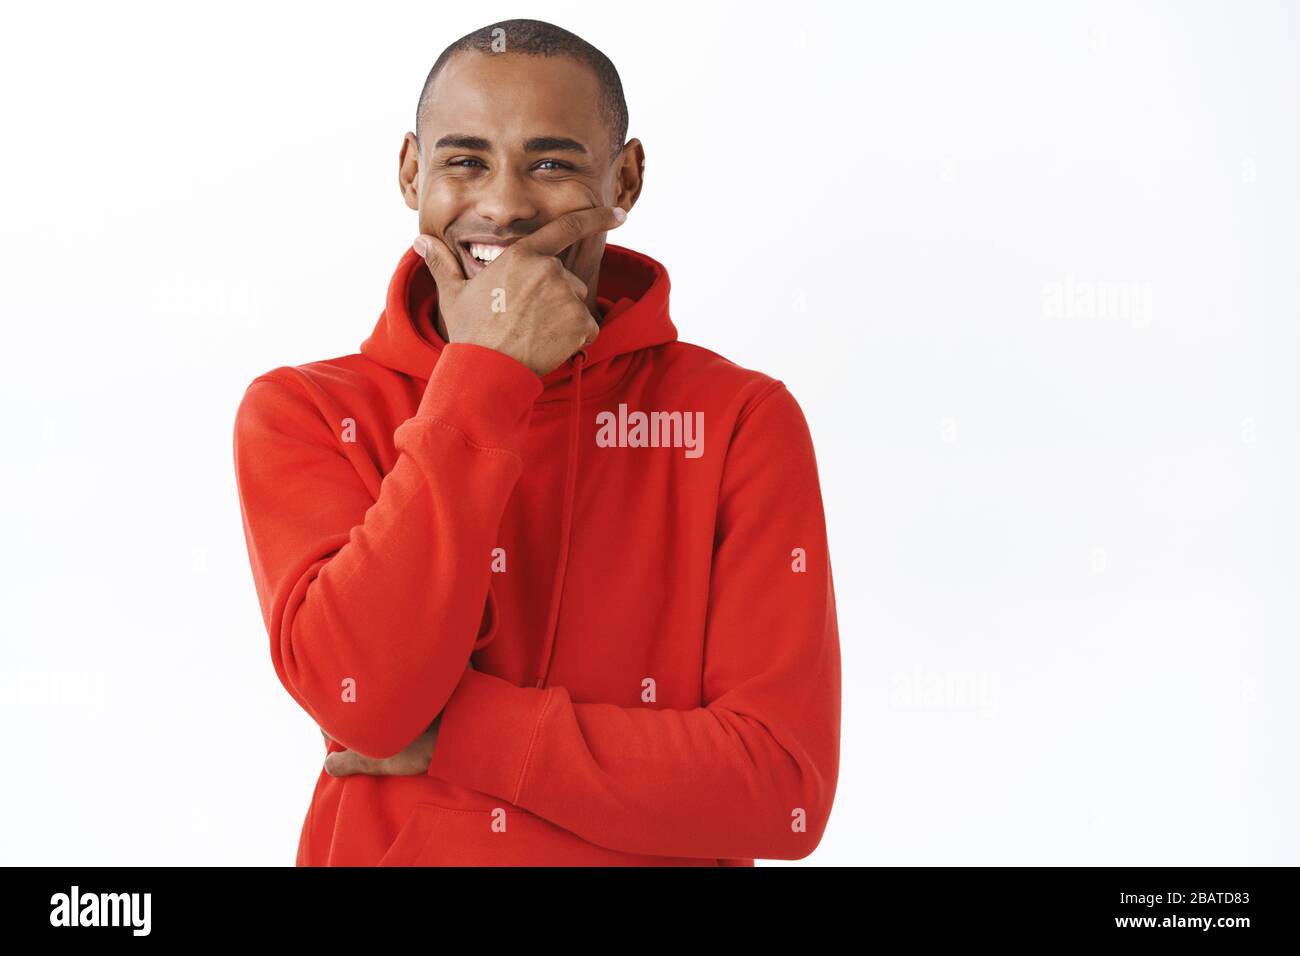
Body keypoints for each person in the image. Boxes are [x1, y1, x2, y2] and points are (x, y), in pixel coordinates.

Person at [232, 18, 841, 866]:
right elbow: (366, 702)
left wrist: (458, 735)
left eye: (552, 163)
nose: (505, 204)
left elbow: (780, 794)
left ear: (624, 180)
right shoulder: (303, 411)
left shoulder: (738, 420)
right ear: (412, 172)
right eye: (464, 160)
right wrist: (486, 378)